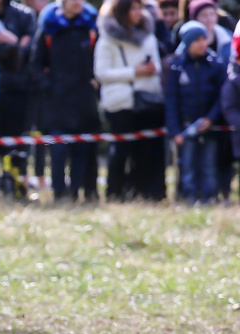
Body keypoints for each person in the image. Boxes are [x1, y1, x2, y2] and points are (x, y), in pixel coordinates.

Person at [94, 0, 166, 201]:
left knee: (144, 153)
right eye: (133, 9)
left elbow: (157, 66)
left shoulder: (148, 36)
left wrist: (151, 69)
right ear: (122, 12)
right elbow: (102, 73)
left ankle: (141, 193)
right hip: (121, 103)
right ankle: (114, 193)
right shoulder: (107, 40)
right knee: (120, 152)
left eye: (139, 8)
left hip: (147, 101)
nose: (138, 13)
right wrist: (134, 72)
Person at [30, 0, 101, 201]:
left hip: (83, 102)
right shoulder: (49, 28)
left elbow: (98, 60)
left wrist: (94, 84)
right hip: (57, 103)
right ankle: (59, 192)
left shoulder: (90, 28)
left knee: (81, 148)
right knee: (58, 149)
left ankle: (76, 191)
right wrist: (49, 87)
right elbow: (35, 65)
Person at [0, 0, 37, 196]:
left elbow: (29, 51)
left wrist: (13, 45)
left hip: (19, 92)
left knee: (18, 145)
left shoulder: (24, 15)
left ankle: (17, 189)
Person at [165, 21, 227, 201]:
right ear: (188, 42)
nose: (202, 43)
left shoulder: (215, 65)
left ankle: (210, 197)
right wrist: (174, 130)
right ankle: (189, 198)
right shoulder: (177, 67)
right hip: (186, 128)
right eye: (197, 40)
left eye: (204, 39)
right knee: (187, 166)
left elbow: (221, 97)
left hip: (210, 128)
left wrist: (211, 119)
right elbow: (171, 101)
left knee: (209, 165)